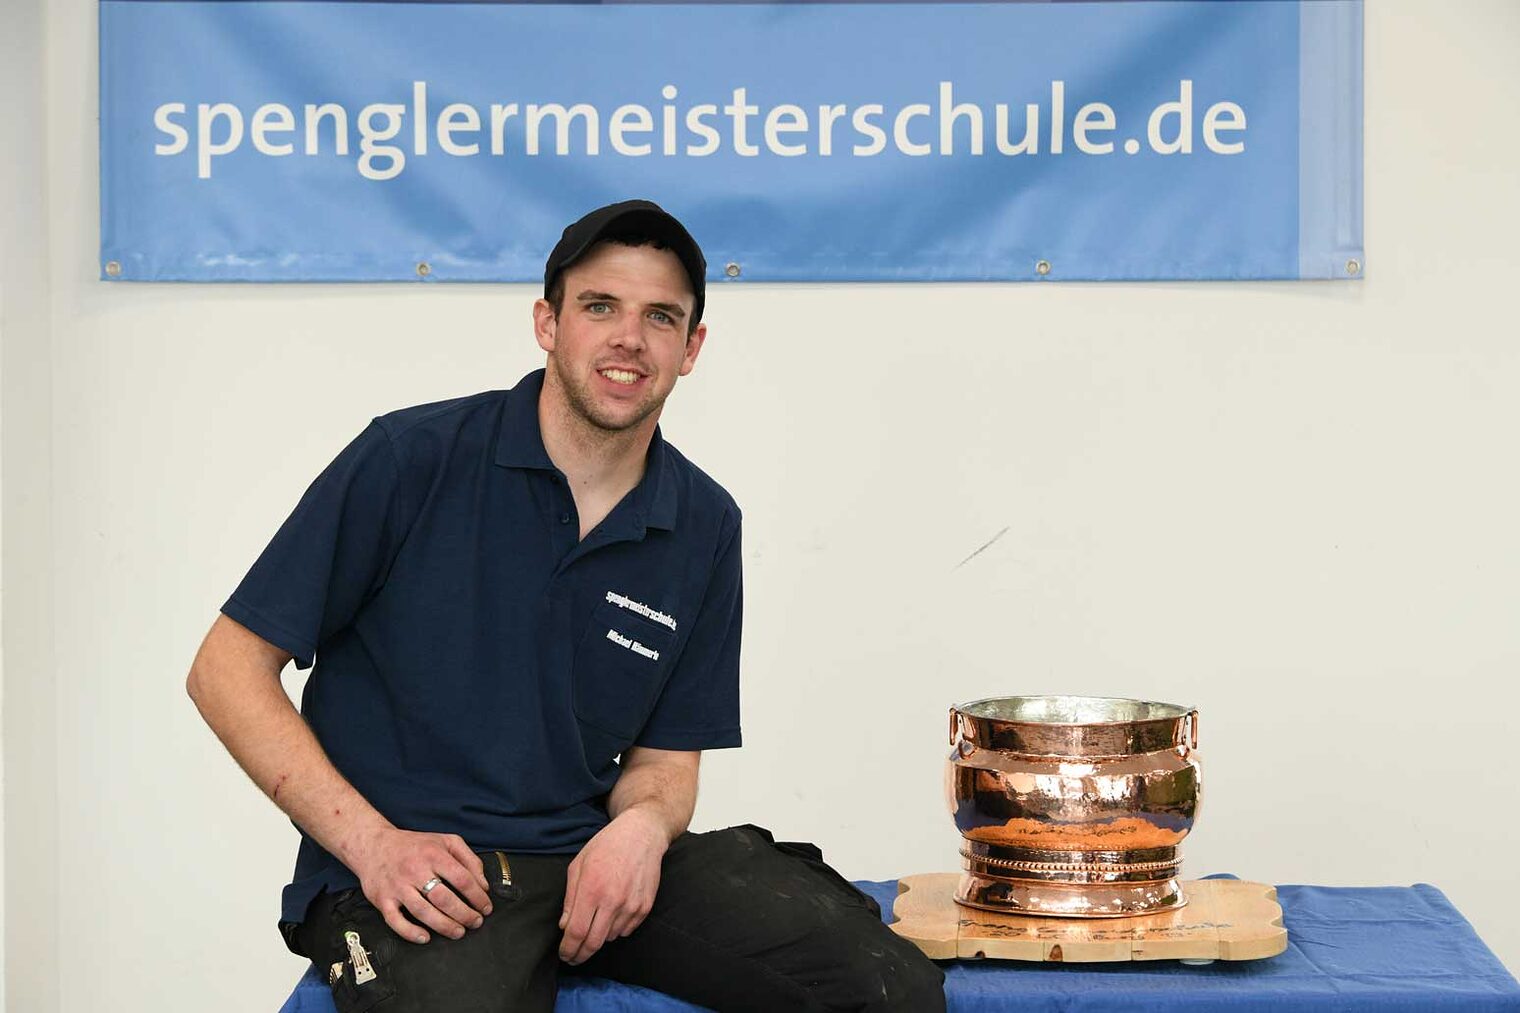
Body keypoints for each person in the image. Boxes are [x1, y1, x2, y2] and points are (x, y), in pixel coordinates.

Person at [186, 199, 946, 1012]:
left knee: (890, 987)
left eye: (660, 316)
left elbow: (665, 764)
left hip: (586, 863)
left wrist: (641, 830)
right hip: (413, 872)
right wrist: (371, 844)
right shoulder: (410, 460)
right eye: (600, 306)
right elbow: (225, 670)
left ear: (691, 348)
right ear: (547, 323)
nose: (630, 338)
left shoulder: (703, 523)